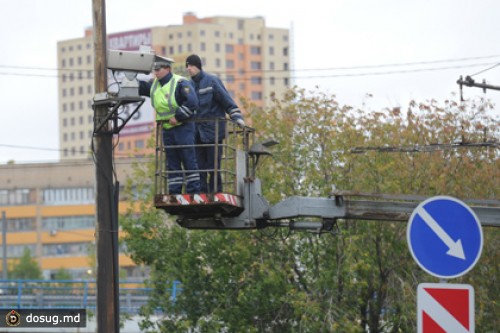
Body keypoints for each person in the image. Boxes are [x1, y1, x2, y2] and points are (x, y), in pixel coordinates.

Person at [138, 56, 200, 195]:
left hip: (183, 127)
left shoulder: (179, 83)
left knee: (188, 159)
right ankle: (174, 192)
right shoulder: (154, 85)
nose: (156, 72)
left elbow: (192, 102)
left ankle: (193, 192)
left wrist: (177, 117)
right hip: (167, 129)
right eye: (154, 70)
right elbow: (140, 87)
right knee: (172, 163)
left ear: (167, 69)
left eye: (158, 69)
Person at [185, 54, 245, 193]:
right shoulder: (188, 86)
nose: (189, 69)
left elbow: (227, 102)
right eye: (187, 66)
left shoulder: (212, 81)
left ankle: (215, 192)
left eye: (191, 66)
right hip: (197, 134)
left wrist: (237, 117)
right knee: (199, 166)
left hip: (213, 132)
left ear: (198, 66)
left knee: (213, 166)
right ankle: (203, 193)